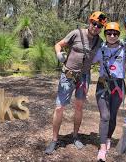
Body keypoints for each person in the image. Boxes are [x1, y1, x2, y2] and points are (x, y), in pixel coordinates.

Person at [45, 11, 107, 154]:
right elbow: (58, 44)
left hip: (84, 78)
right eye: (94, 23)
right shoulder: (76, 33)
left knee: (79, 107)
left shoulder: (100, 42)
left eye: (99, 26)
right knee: (59, 107)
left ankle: (75, 136)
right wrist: (59, 54)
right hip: (68, 75)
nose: (96, 27)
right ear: (90, 21)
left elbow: (107, 54)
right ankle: (54, 140)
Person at [92, 22, 126, 161]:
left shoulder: (125, 49)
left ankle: (108, 138)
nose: (112, 36)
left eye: (115, 33)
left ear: (119, 35)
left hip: (118, 85)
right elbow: (88, 61)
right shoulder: (101, 49)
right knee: (105, 116)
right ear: (105, 34)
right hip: (103, 85)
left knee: (112, 116)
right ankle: (102, 148)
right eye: (109, 33)